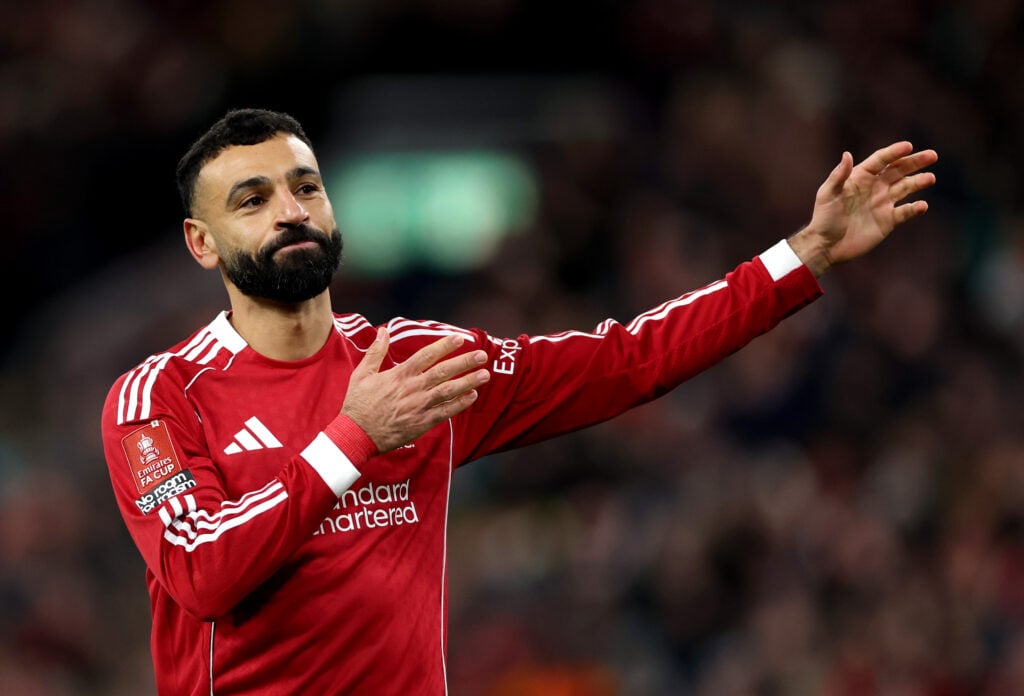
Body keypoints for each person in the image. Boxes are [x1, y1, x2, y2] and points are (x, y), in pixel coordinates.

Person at [100, 108, 937, 695]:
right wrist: (356, 434)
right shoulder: (158, 397)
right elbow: (202, 573)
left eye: (305, 187)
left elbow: (626, 360)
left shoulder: (421, 362)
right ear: (201, 243)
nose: (291, 211)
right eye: (253, 200)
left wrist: (805, 254)